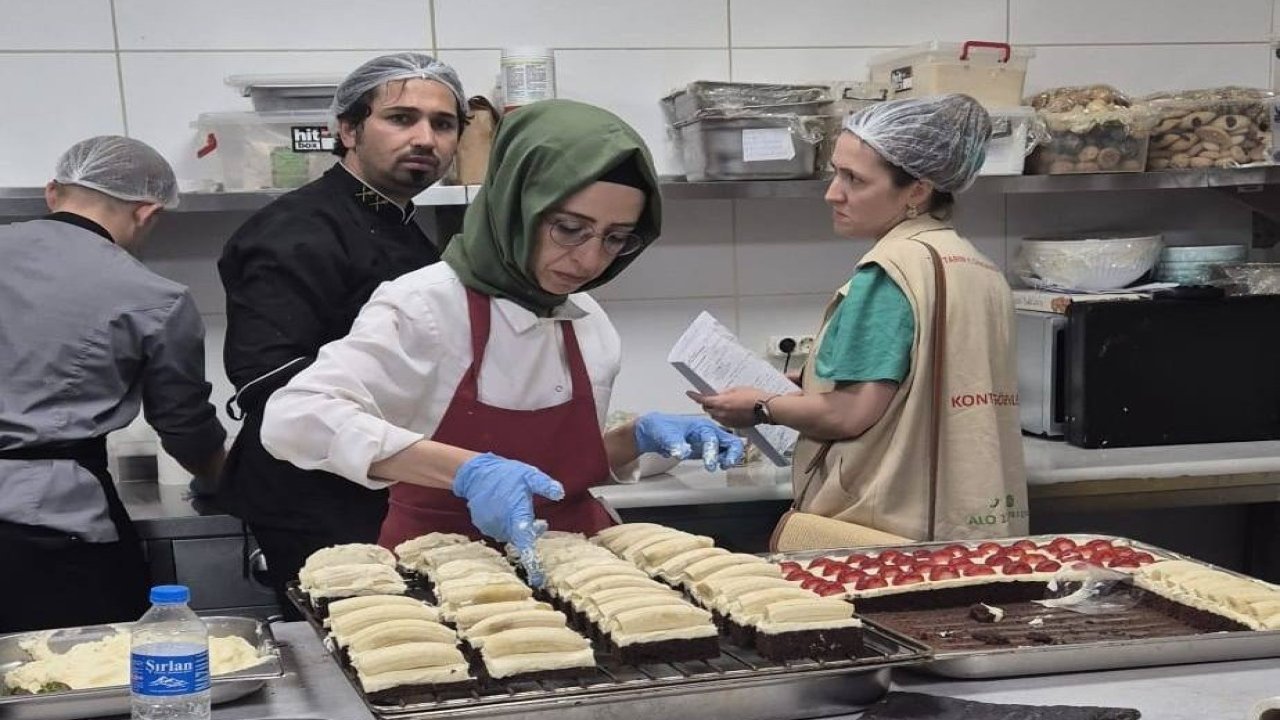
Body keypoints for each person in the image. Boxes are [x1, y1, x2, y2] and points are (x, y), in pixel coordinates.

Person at [259, 99, 743, 576]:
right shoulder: (426, 305)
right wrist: (467, 472)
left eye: (616, 238)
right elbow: (294, 416)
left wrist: (635, 440)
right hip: (443, 570)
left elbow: (558, 472)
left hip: (574, 568)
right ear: (517, 204)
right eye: (571, 229)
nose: (591, 261)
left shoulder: (585, 317)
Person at [692, 95, 1028, 542]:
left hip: (889, 533)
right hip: (975, 523)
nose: (833, 192)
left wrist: (759, 407)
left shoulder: (888, 271)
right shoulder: (977, 267)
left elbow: (849, 415)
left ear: (917, 190)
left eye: (854, 179)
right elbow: (922, 387)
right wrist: (810, 390)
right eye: (836, 171)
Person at [217, 53, 466, 611]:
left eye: (442, 124)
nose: (425, 137)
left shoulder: (404, 225)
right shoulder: (295, 231)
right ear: (347, 129)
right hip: (315, 495)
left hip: (383, 483)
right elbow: (267, 381)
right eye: (401, 118)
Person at [0, 136, 226, 632]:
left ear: (52, 191)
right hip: (51, 527)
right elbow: (184, 425)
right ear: (148, 213)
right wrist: (222, 479)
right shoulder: (154, 297)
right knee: (75, 678)